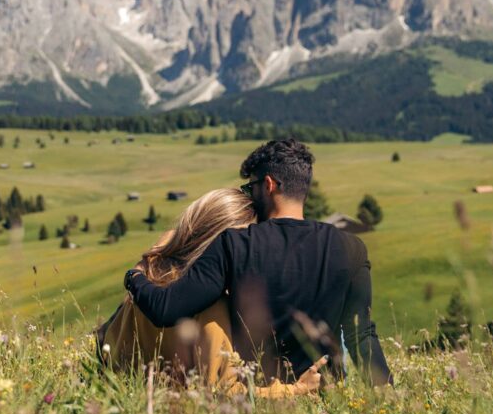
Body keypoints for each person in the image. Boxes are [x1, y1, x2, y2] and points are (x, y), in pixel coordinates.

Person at [124, 137, 392, 386]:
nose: (248, 197)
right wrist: (386, 398)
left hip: (256, 394)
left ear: (268, 185)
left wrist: (135, 276)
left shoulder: (234, 244)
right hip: (323, 392)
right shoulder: (351, 248)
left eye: (249, 187)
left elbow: (165, 310)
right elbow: (361, 336)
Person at [98, 187, 327, 397]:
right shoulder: (210, 305)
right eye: (244, 243)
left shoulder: (150, 276)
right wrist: (296, 389)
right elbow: (221, 390)